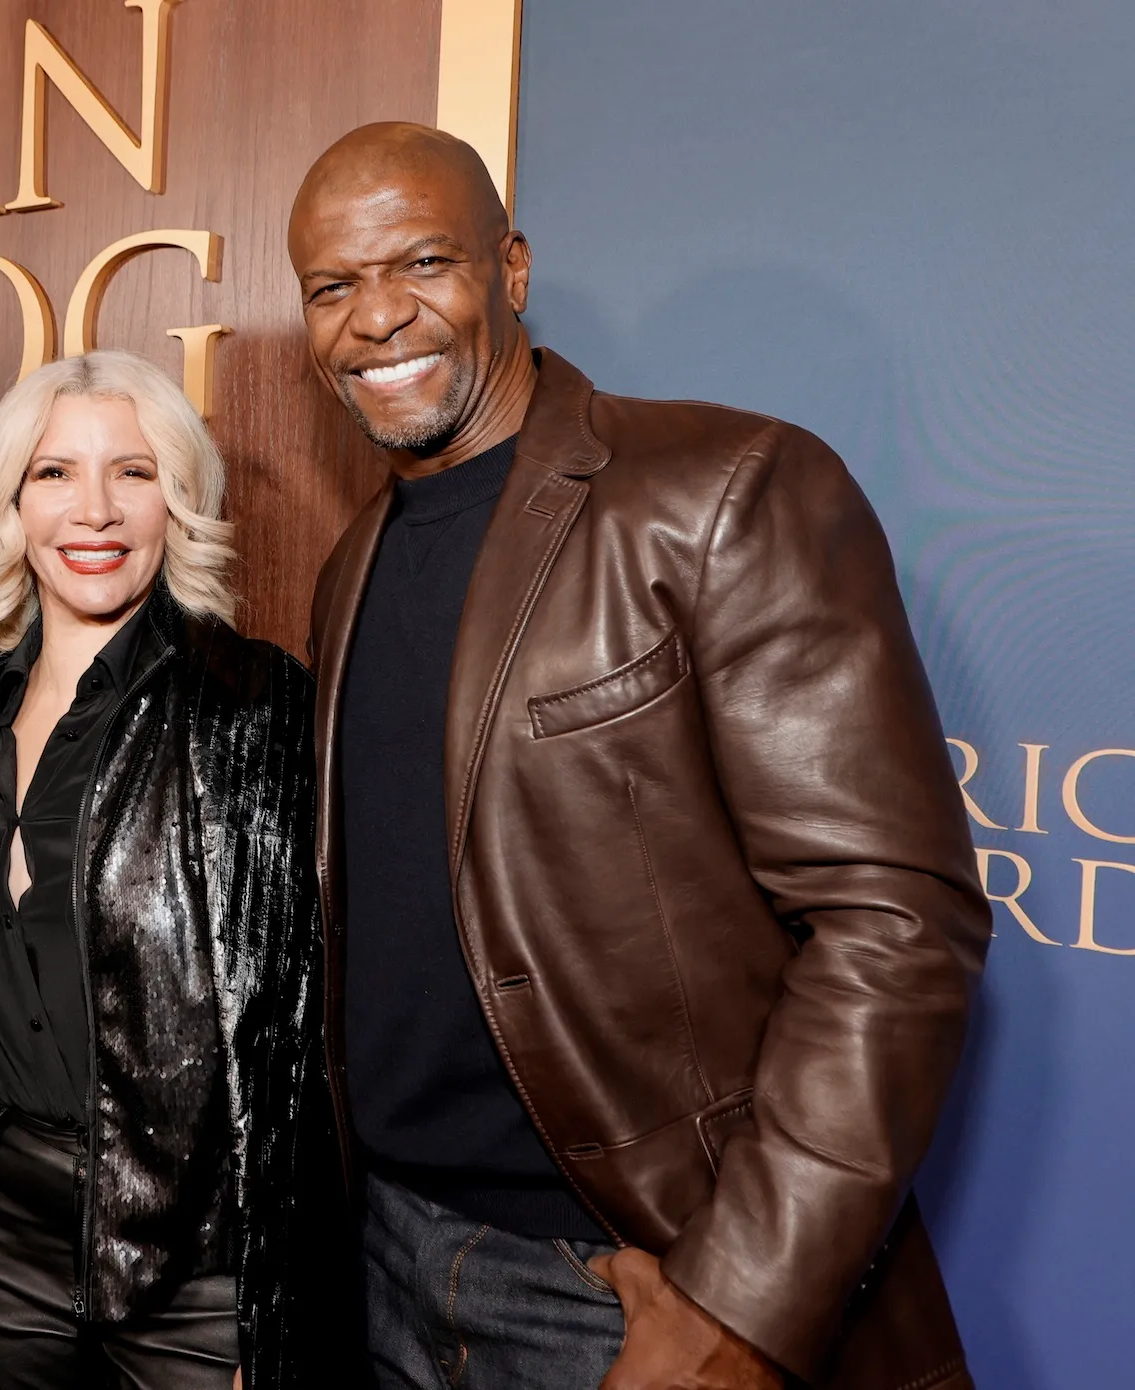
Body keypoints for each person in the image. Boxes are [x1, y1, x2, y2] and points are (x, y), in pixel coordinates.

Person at [287, 122, 990, 1390]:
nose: (375, 318)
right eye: (331, 286)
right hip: (387, 1259)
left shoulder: (718, 491)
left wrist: (740, 1304)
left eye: (421, 263)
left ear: (509, 267)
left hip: (629, 1285)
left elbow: (893, 922)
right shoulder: (348, 569)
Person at [0, 350, 353, 1390]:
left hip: (194, 1250)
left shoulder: (252, 704)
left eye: (133, 471)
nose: (95, 511)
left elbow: (290, 1033)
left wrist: (273, 1298)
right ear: (12, 504)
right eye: (54, 473)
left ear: (178, 500)